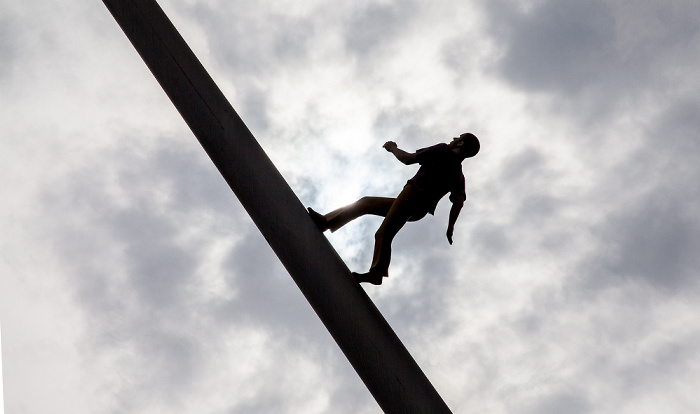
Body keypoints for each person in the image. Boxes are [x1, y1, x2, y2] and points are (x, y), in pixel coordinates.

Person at [308, 133, 480, 285]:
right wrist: (451, 225)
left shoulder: (443, 150)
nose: (454, 139)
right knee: (366, 203)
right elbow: (459, 201)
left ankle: (376, 274)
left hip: (413, 195)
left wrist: (392, 148)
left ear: (461, 144)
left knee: (383, 233)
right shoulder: (459, 175)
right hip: (419, 211)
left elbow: (408, 159)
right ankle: (326, 222)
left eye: (458, 137)